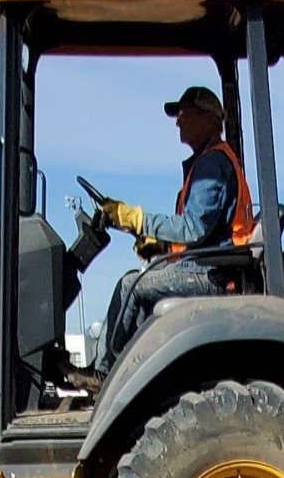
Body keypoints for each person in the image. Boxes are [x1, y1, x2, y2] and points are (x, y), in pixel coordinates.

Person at [94, 85, 256, 365]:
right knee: (143, 285)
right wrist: (162, 244)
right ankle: (134, 366)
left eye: (183, 113)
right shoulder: (210, 161)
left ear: (208, 119)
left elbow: (194, 228)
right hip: (210, 265)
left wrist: (138, 219)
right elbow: (206, 231)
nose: (178, 121)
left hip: (213, 274)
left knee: (131, 284)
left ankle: (104, 371)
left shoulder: (213, 164)